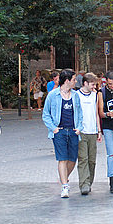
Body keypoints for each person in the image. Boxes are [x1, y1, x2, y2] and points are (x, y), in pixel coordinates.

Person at [42, 70, 83, 198]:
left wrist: (79, 127)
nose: (75, 82)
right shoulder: (53, 95)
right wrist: (53, 128)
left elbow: (80, 114)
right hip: (59, 131)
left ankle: (63, 177)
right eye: (74, 79)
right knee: (62, 158)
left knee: (72, 159)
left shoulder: (75, 95)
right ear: (67, 80)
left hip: (73, 131)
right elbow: (46, 114)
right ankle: (65, 186)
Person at [77, 73, 102, 196]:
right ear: (85, 83)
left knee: (92, 160)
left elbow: (96, 112)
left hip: (92, 131)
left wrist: (99, 130)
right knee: (83, 159)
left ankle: (89, 182)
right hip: (81, 131)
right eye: (92, 84)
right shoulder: (76, 95)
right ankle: (84, 184)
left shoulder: (95, 95)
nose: (94, 87)